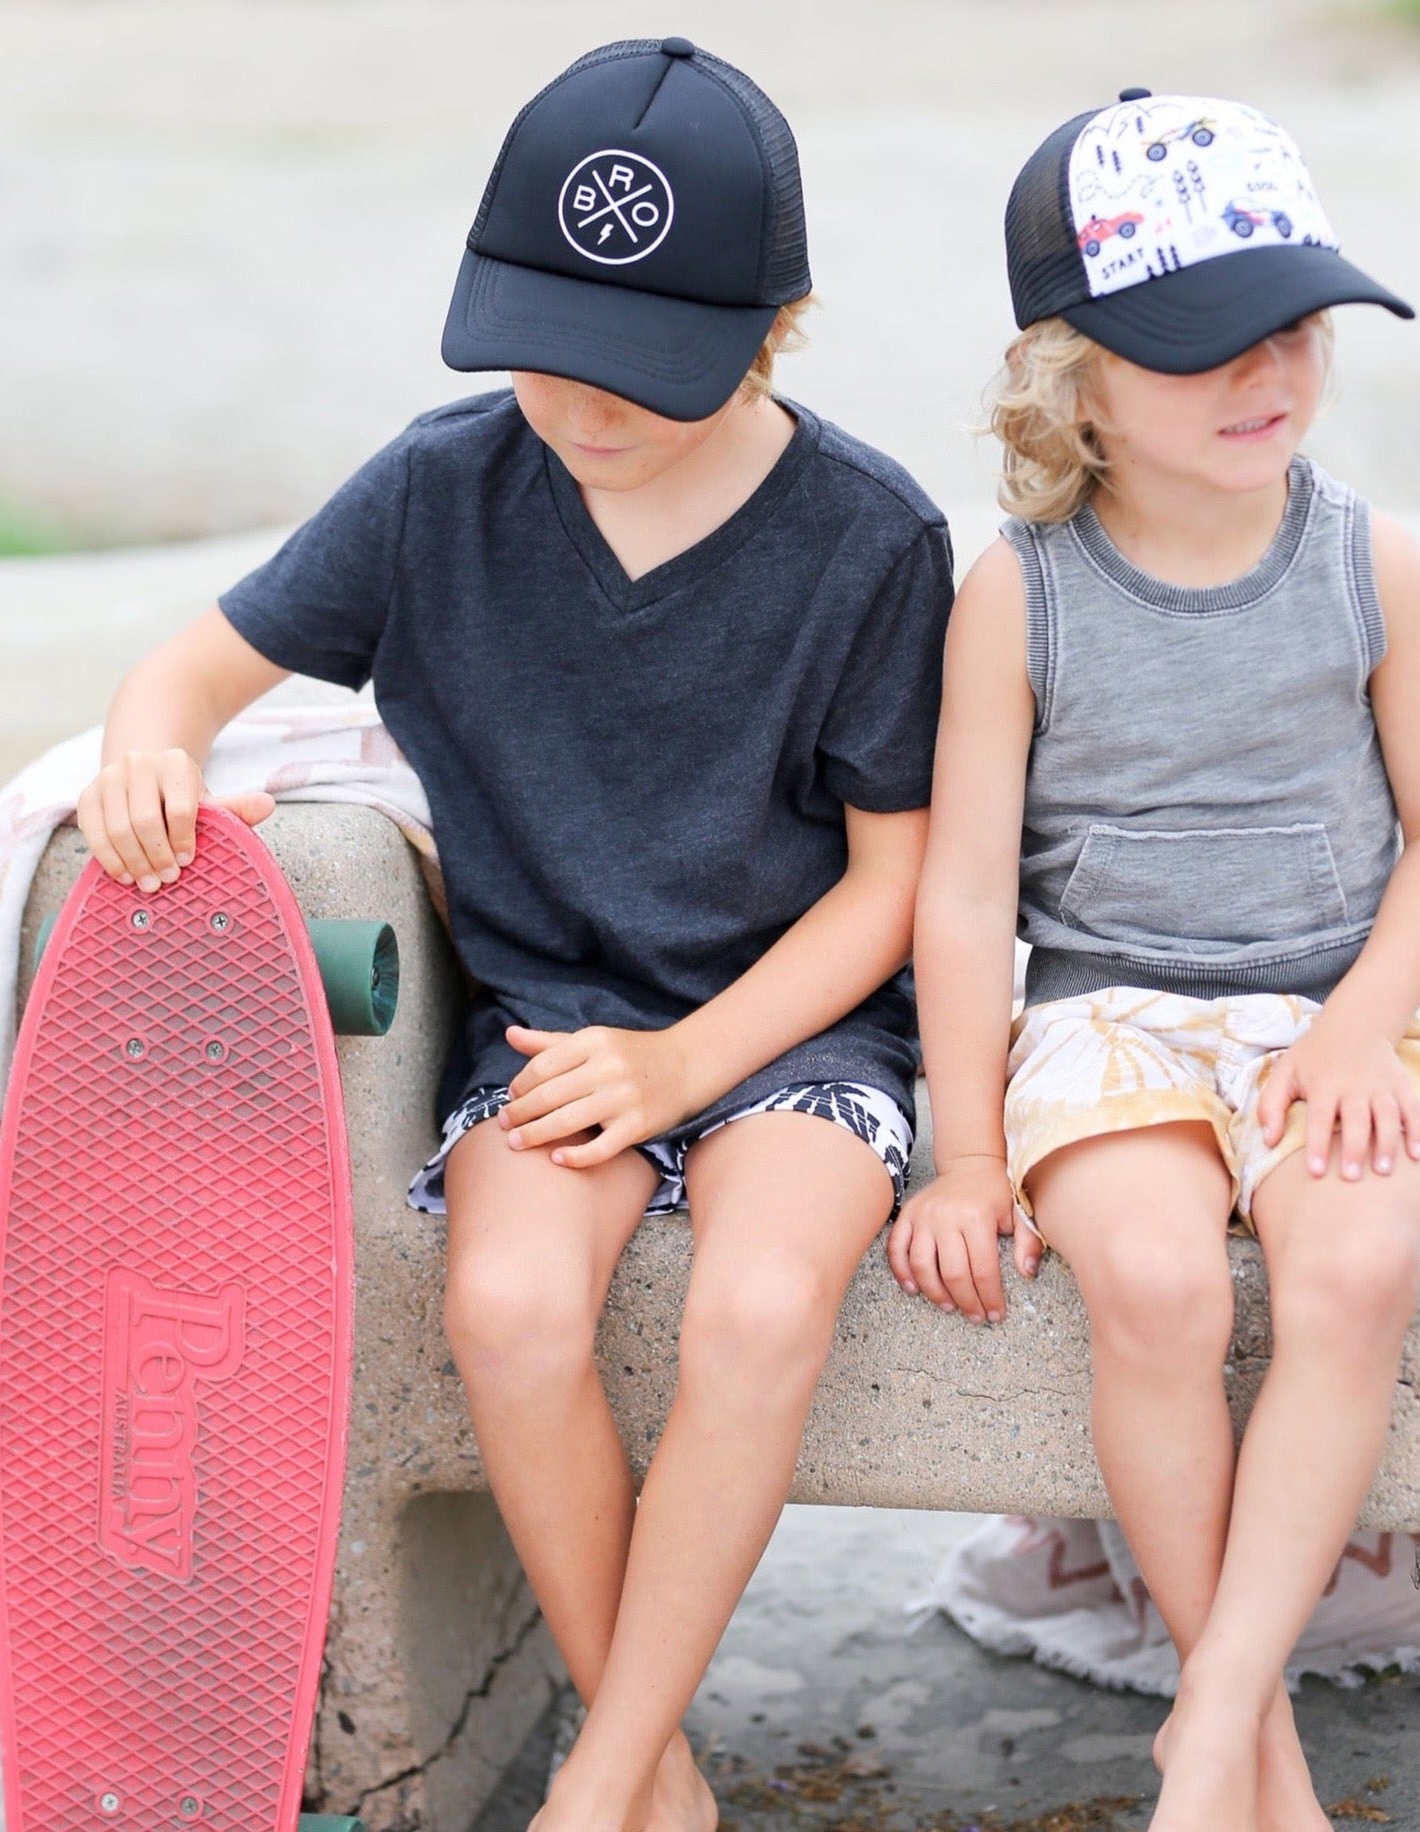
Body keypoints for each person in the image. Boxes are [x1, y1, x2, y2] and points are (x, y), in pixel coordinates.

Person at [76, 39, 952, 1832]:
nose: (582, 402)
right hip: (553, 1024)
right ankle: (670, 1781)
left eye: (640, 367)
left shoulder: (870, 540)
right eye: (542, 346)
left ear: (774, 323)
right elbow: (191, 669)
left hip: (791, 1030)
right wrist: (143, 756)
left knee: (762, 1301)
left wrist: (693, 1063)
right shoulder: (437, 490)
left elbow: (892, 885)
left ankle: (603, 1777)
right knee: (509, 1303)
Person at [889, 92, 1420, 1832]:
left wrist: (1363, 1035)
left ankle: (1218, 1715)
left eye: (1297, 331)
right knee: (1160, 1285)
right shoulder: (1018, 595)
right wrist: (963, 1154)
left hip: (1332, 1016)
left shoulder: (1364, 562)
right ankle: (1263, 1755)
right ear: (1069, 379)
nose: (1268, 376)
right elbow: (963, 900)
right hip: (1104, 1017)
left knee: (1355, 1269)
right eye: (1200, 350)